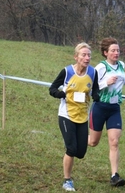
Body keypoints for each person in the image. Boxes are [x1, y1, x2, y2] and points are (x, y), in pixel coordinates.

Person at [49, 42, 99, 192]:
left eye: (89, 55)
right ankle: (67, 180)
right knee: (71, 148)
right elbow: (52, 88)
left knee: (81, 152)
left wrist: (96, 95)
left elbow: (95, 88)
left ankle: (70, 150)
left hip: (82, 116)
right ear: (76, 57)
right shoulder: (67, 71)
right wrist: (58, 93)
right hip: (66, 115)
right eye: (84, 55)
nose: (87, 57)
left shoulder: (93, 72)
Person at [88, 37, 125, 187]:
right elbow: (91, 87)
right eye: (113, 50)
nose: (116, 53)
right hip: (100, 107)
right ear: (105, 52)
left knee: (114, 142)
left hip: (114, 109)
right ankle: (76, 138)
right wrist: (105, 83)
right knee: (93, 142)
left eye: (118, 50)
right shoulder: (100, 68)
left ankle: (115, 176)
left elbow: (120, 80)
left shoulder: (121, 65)